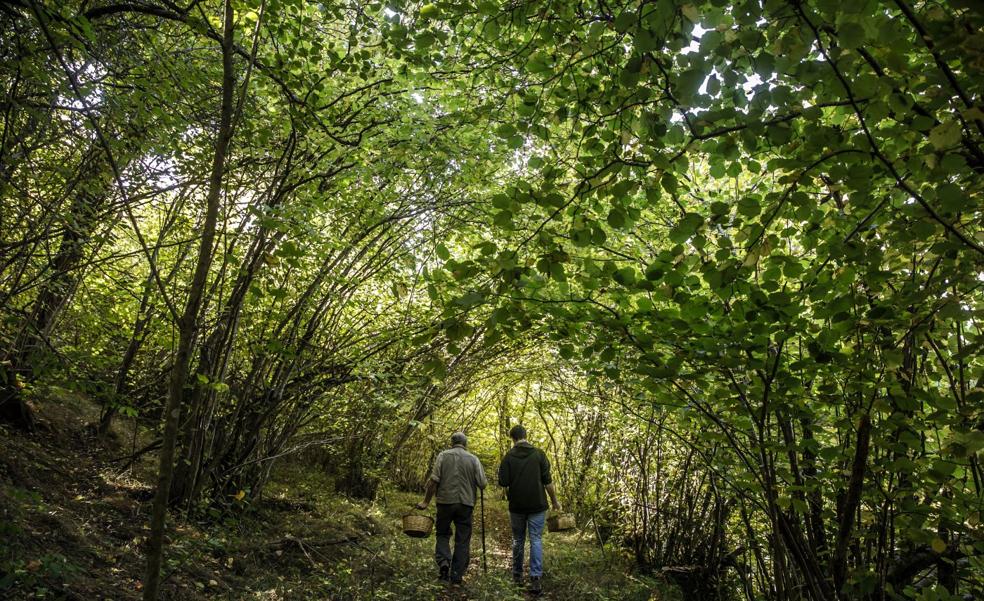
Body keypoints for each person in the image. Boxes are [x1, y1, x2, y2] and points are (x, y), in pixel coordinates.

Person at [497, 424, 561, 596]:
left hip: (517, 506)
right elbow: (548, 481)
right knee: (536, 540)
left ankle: (517, 575)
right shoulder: (539, 454)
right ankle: (535, 578)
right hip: (538, 505)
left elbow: (502, 482)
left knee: (518, 539)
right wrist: (555, 502)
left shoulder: (508, 457)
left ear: (513, 438)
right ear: (526, 435)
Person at [416, 432, 488, 585]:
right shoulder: (474, 459)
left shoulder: (443, 456)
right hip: (466, 504)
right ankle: (456, 576)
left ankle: (443, 564)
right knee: (462, 540)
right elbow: (482, 483)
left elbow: (434, 481)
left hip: (445, 503)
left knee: (442, 533)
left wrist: (425, 502)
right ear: (465, 443)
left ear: (452, 443)